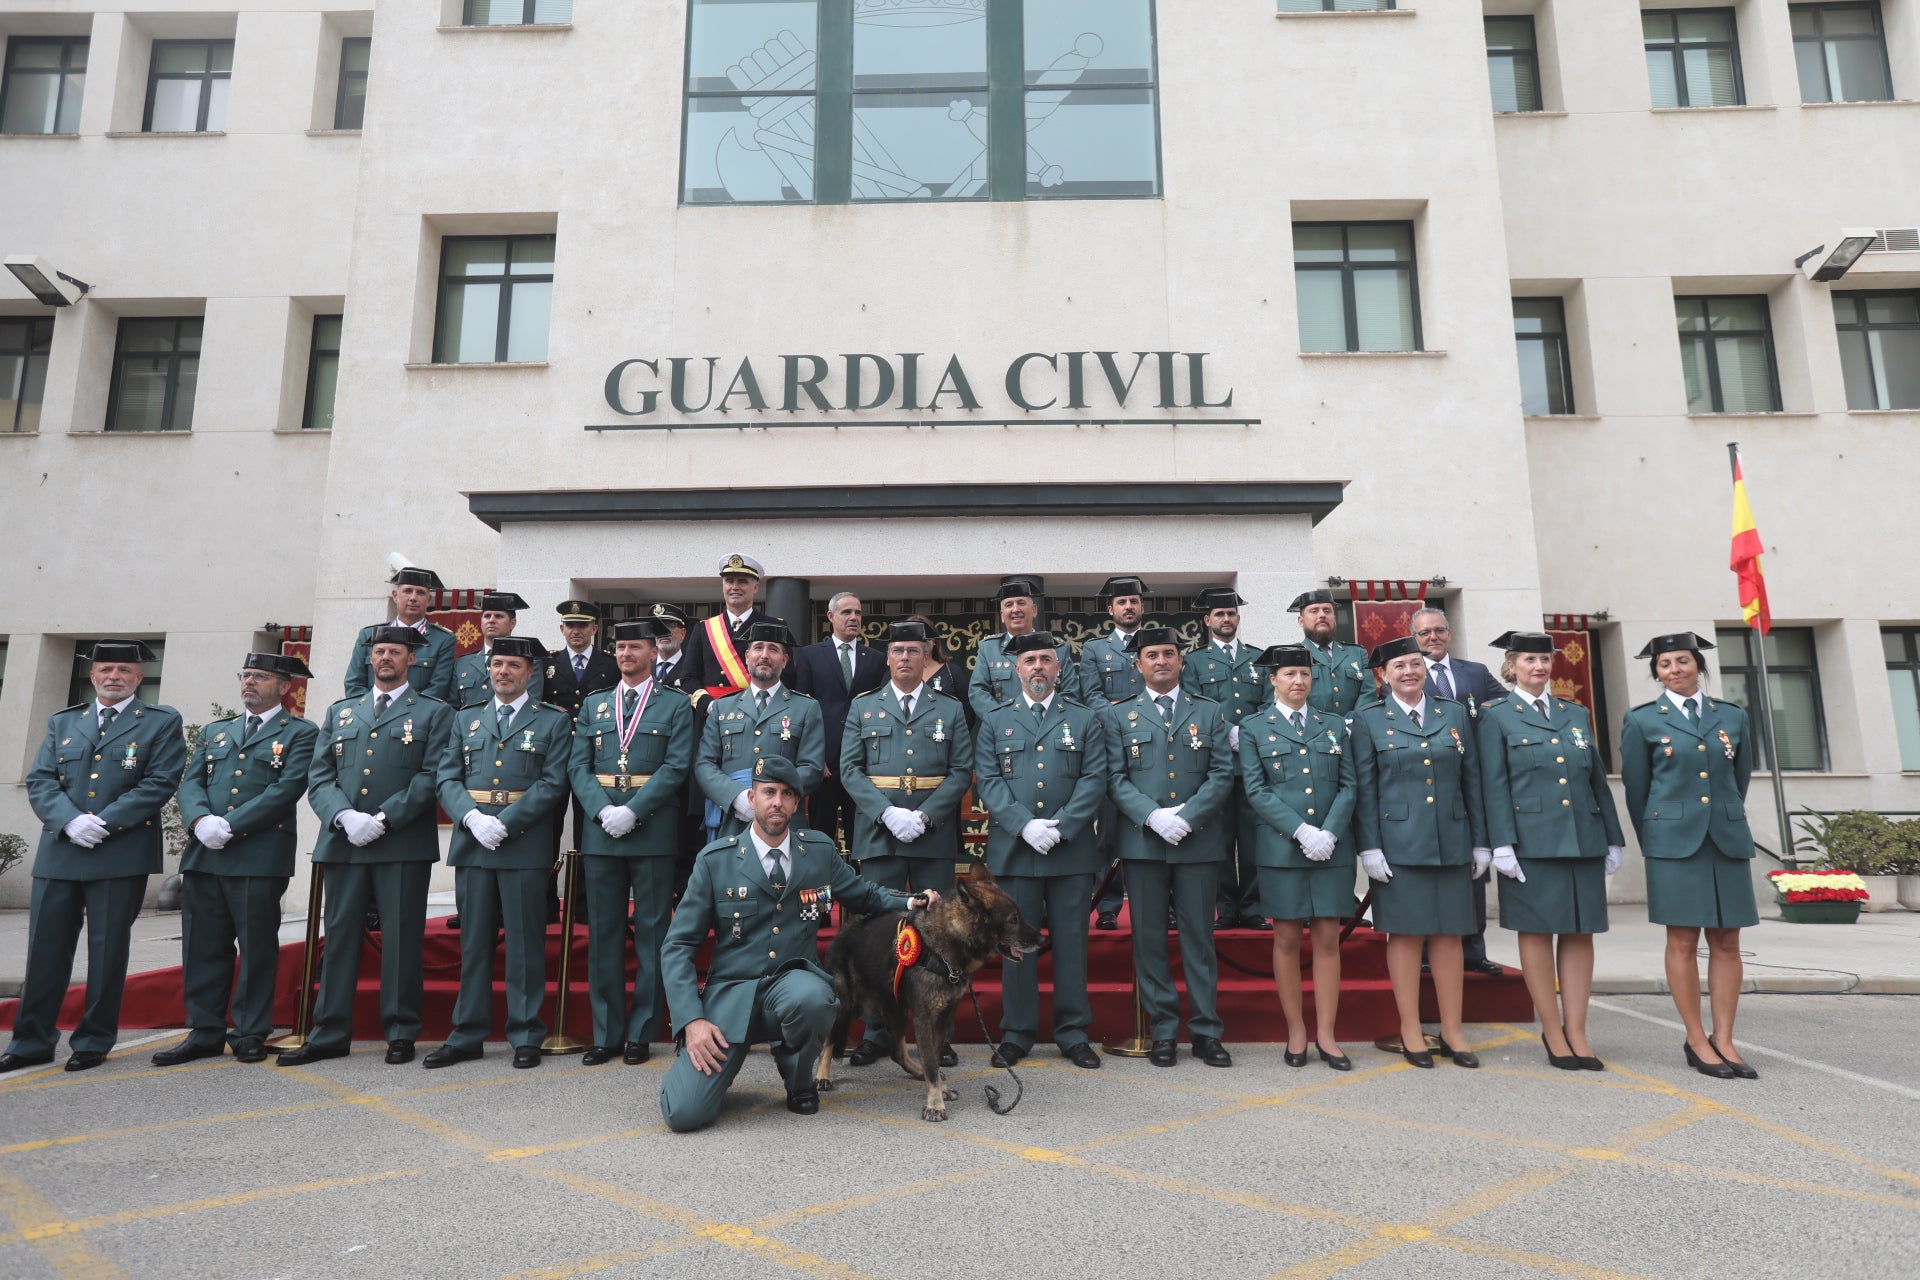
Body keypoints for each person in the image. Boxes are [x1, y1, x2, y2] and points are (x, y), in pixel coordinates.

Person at [658, 756, 939, 1130]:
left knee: (816, 999)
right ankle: (712, 1070)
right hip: (732, 995)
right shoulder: (716, 861)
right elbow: (677, 946)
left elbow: (863, 894)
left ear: (797, 803)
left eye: (787, 794)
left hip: (794, 986)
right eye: (769, 792)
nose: (777, 802)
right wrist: (691, 1021)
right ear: (753, 798)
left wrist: (911, 901)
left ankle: (799, 1079)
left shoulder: (818, 852)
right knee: (684, 1114)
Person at [3, 641, 187, 1074]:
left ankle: (94, 1038)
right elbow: (42, 779)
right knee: (45, 951)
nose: (114, 676)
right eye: (105, 669)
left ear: (139, 679)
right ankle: (31, 1041)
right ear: (93, 676)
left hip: (119, 851)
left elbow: (160, 781)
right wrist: (69, 821)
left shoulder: (160, 722)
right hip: (61, 851)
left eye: (124, 670)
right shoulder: (64, 721)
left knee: (107, 952)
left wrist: (103, 822)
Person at [282, 626, 450, 1066]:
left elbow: (432, 776)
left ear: (411, 659)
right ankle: (330, 1031)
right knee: (338, 939)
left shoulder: (434, 713)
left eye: (395, 652)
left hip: (401, 843)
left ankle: (401, 1031)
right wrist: (345, 817)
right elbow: (319, 777)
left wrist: (383, 818)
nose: (386, 659)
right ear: (368, 658)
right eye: (378, 652)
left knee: (401, 939)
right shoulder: (341, 712)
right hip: (344, 843)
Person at [157, 653, 319, 1067]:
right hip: (205, 854)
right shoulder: (217, 731)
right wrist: (198, 820)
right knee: (203, 947)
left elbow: (286, 789)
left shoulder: (300, 732)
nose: (249, 682)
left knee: (256, 947)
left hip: (257, 855)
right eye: (246, 675)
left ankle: (250, 1030)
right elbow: (191, 781)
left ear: (284, 687)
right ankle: (205, 1030)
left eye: (260, 677)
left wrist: (230, 825)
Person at [1478, 632, 1625, 1071]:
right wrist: (1500, 842)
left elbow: (1595, 779)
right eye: (1529, 660)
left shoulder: (1575, 714)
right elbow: (1493, 784)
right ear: (1512, 666)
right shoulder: (1497, 716)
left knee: (1580, 932)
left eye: (1544, 660)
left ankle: (1577, 1030)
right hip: (1531, 842)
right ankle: (1553, 1030)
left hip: (1582, 837)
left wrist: (1613, 837)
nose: (1538, 667)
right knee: (1538, 934)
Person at [427, 636, 573, 1070]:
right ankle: (467, 1033)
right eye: (497, 664)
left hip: (522, 845)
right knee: (473, 944)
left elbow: (552, 784)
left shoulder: (552, 721)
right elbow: (447, 778)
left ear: (531, 673)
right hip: (473, 844)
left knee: (526, 946)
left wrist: (505, 822)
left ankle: (526, 1033)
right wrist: (471, 819)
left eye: (512, 665)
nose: (503, 672)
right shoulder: (465, 719)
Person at [1620, 632, 1760, 1081]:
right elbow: (1637, 792)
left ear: (1699, 665)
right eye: (1665, 664)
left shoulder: (1732, 716)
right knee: (1682, 941)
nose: (1675, 669)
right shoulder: (1642, 721)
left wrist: (1720, 816)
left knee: (1727, 942)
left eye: (1683, 661)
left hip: (1726, 838)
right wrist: (1657, 840)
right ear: (1656, 673)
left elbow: (1740, 778)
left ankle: (1725, 1037)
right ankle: (1696, 1038)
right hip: (1672, 843)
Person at [837, 620, 973, 1068]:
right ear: (888, 657)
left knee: (940, 934)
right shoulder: (864, 706)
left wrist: (926, 815)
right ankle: (878, 1034)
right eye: (897, 651)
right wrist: (887, 813)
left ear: (926, 654)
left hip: (931, 834)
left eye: (914, 651)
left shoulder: (949, 708)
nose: (905, 659)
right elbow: (850, 769)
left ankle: (940, 1034)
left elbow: (960, 771)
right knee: (881, 932)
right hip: (880, 832)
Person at [1351, 635, 1489, 1069]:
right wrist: (1369, 846)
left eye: (1416, 664)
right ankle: (1411, 1028)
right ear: (1383, 675)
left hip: (1451, 838)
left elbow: (1472, 779)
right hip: (1398, 845)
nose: (1409, 672)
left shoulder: (1453, 713)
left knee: (1449, 935)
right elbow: (1365, 788)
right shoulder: (1369, 718)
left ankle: (1453, 1029)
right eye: (1399, 667)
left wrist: (1480, 840)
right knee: (1407, 936)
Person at [973, 631, 1108, 1070]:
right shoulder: (995, 720)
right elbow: (989, 780)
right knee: (1015, 946)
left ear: (1059, 668)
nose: (1037, 667)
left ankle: (1073, 1032)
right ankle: (1017, 1033)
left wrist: (1064, 826)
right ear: (1016, 669)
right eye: (1029, 660)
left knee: (1072, 944)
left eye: (1046, 660)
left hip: (1070, 853)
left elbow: (1094, 779)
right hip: (1016, 849)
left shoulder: (1085, 719)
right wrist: (1024, 825)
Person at [1103, 626, 1235, 1067]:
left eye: (1169, 654)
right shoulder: (1118, 716)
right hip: (1143, 844)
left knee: (1199, 939)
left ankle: (1206, 1031)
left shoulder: (1210, 711)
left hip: (1198, 843)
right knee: (1150, 940)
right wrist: (1152, 816)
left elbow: (1221, 774)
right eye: (1152, 655)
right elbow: (1115, 779)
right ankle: (1163, 1031)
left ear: (1181, 661)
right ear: (1137, 665)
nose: (1161, 661)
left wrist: (1187, 817)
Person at [569, 618, 695, 1065]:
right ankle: (607, 1033)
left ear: (652, 652)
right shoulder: (595, 705)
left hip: (652, 832)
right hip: (601, 831)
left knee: (652, 934)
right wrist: (604, 811)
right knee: (602, 934)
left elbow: (677, 767)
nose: (626, 655)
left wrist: (633, 810)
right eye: (620, 648)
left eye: (635, 647)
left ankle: (642, 1032)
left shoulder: (676, 705)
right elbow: (577, 766)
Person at [1241, 644, 1357, 1071]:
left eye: (1305, 675)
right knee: (1287, 940)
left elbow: (1349, 785)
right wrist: (1302, 830)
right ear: (1273, 679)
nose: (1298, 682)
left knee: (1328, 939)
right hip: (1282, 850)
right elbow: (1256, 790)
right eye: (1289, 674)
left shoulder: (1333, 726)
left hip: (1332, 847)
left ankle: (1327, 1034)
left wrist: (1329, 832)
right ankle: (1297, 1031)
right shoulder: (1254, 727)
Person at [1410, 606, 1509, 975]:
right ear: (1415, 639)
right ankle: (1423, 950)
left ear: (1449, 633)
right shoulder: (1408, 672)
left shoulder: (1476, 672)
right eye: (1424, 633)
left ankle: (1474, 948)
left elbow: (1504, 707)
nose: (1432, 637)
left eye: (1438, 630)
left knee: (1473, 868)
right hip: (1428, 781)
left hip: (1470, 780)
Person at [1182, 587, 1266, 931]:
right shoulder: (1194, 661)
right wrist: (1224, 730)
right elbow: (1192, 704)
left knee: (1252, 841)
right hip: (1214, 765)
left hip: (1251, 766)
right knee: (1218, 839)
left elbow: (1268, 704)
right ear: (1207, 620)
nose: (1226, 619)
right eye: (1219, 614)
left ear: (1238, 618)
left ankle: (1253, 908)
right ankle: (1227, 908)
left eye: (1231, 614)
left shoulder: (1258, 657)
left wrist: (1243, 733)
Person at [695, 621, 826, 841]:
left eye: (773, 649)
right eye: (758, 648)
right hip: (734, 819)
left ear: (784, 660)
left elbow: (811, 768)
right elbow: (704, 764)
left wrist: (772, 798)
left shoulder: (806, 708)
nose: (764, 655)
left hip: (784, 820)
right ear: (747, 656)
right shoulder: (722, 707)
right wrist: (736, 797)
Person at [790, 591, 886, 852]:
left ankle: (861, 889)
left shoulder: (876, 659)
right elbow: (801, 706)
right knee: (821, 833)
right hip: (824, 763)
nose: (854, 618)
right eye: (847, 612)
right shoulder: (811, 655)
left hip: (862, 763)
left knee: (863, 834)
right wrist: (812, 756)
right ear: (831, 617)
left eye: (858, 613)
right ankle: (824, 889)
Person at [1080, 576, 1150, 930]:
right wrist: (1128, 715)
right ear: (1111, 610)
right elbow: (1091, 697)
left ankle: (1159, 903)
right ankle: (1107, 904)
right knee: (1107, 832)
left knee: (1153, 825)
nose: (1128, 607)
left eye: (1134, 601)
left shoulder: (1156, 645)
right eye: (1122, 602)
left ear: (1142, 607)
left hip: (1154, 750)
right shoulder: (1095, 650)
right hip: (1111, 749)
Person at [968, 576, 1083, 722]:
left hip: (1050, 726)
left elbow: (1071, 693)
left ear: (1034, 610)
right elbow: (978, 692)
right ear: (1002, 616)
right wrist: (1002, 719)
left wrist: (1047, 717)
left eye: (1021, 603)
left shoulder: (1057, 648)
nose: (1015, 609)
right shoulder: (989, 648)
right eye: (1009, 605)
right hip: (1006, 729)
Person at [344, 565, 457, 703]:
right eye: (408, 591)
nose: (413, 598)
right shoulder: (369, 635)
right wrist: (376, 709)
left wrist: (399, 712)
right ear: (395, 596)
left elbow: (438, 689)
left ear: (429, 600)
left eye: (420, 593)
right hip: (371, 718)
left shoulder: (443, 640)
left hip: (416, 720)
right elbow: (354, 685)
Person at [681, 553, 773, 696]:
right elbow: (689, 678)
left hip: (758, 710)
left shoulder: (772, 627)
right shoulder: (703, 628)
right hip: (712, 711)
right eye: (729, 581)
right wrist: (708, 705)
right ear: (723, 586)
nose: (735, 587)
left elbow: (785, 676)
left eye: (742, 581)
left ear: (755, 588)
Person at [454, 592, 543, 709]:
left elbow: (530, 706)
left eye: (499, 616)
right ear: (481, 622)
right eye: (487, 616)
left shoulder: (529, 661)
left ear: (512, 623)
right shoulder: (462, 663)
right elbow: (453, 707)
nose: (491, 620)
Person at [1290, 590, 1371, 716]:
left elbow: (1368, 694)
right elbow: (1289, 699)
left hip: (1355, 728)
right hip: (1312, 730)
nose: (1322, 615)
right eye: (1314, 611)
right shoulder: (1292, 655)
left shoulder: (1357, 653)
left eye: (1327, 611)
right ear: (1301, 621)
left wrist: (1351, 722)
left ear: (1334, 619)